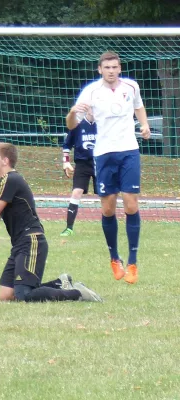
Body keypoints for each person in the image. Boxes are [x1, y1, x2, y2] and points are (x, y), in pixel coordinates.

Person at [0, 142, 102, 303]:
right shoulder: (3, 183)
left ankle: (77, 294)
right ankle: (60, 283)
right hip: (21, 244)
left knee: (24, 295)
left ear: (5, 161)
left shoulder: (10, 180)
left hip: (31, 241)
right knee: (6, 296)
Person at [66, 51, 151, 284]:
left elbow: (139, 107)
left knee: (131, 204)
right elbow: (72, 124)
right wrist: (73, 112)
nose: (111, 71)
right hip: (103, 155)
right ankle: (115, 258)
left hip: (129, 151)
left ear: (119, 68)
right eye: (107, 67)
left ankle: (133, 262)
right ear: (99, 70)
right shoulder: (90, 92)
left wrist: (144, 125)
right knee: (108, 209)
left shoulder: (131, 87)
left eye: (115, 67)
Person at [61, 113, 97, 237]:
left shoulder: (103, 123)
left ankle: (109, 225)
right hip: (82, 164)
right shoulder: (77, 125)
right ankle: (69, 228)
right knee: (76, 192)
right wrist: (66, 162)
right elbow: (67, 145)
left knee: (106, 196)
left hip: (100, 163)